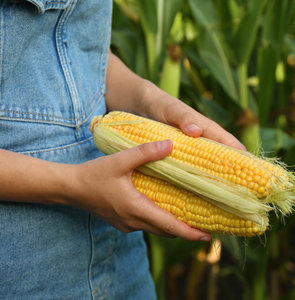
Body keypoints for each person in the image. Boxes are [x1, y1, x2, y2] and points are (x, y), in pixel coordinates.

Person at [0, 1, 245, 299]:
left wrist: (150, 99)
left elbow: (76, 46)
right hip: (23, 268)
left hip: (120, 253)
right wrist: (73, 185)